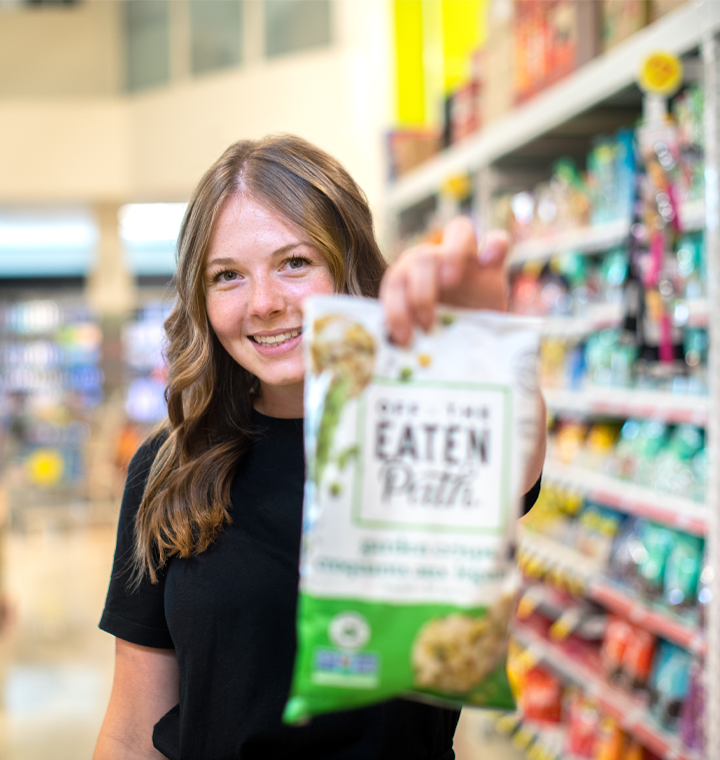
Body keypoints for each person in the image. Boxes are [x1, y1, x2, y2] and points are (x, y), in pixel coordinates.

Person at [93, 134, 546, 760]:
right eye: (227, 276)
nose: (265, 304)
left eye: (295, 262)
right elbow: (132, 725)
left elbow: (517, 458)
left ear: (349, 261)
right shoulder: (172, 464)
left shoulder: (416, 431)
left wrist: (482, 350)